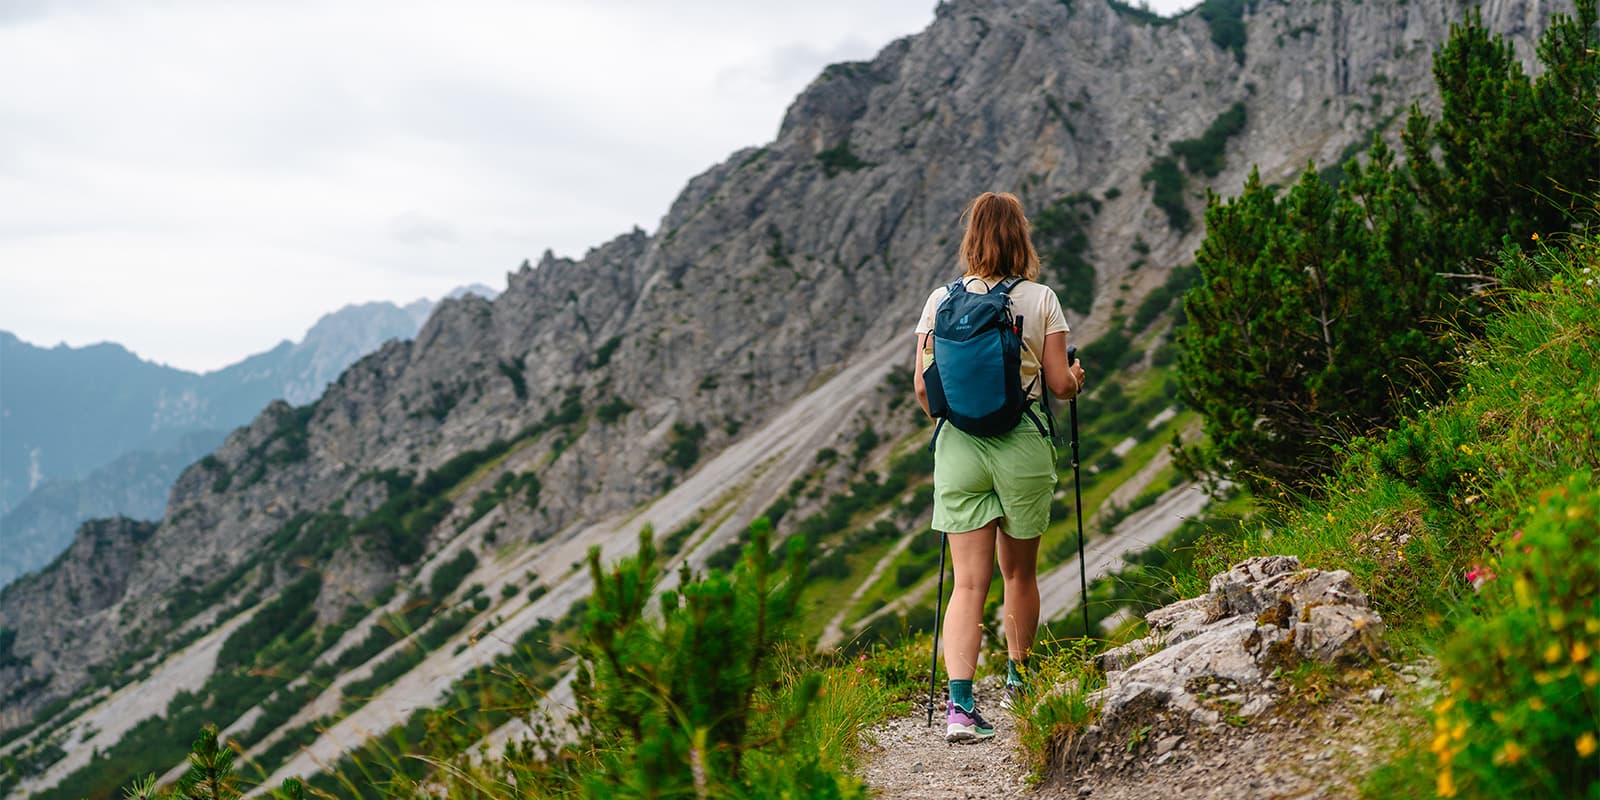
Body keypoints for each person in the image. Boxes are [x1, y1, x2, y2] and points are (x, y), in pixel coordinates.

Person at [913, 191, 1086, 742]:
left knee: (967, 584)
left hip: (958, 446)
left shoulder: (939, 300)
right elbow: (1059, 385)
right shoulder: (1041, 299)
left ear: (971, 238)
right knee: (1019, 573)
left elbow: (922, 387)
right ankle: (1018, 683)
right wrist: (1078, 377)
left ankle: (960, 709)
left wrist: (957, 417)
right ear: (1021, 236)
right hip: (1022, 447)